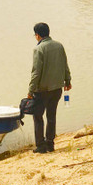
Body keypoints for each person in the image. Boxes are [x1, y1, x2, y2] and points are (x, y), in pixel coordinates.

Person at [28, 22, 72, 153]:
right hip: (57, 89)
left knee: (38, 117)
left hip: (42, 90)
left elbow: (36, 72)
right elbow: (65, 64)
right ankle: (50, 144)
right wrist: (68, 80)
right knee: (51, 116)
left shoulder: (38, 49)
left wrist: (30, 90)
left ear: (37, 35)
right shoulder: (59, 46)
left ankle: (41, 146)